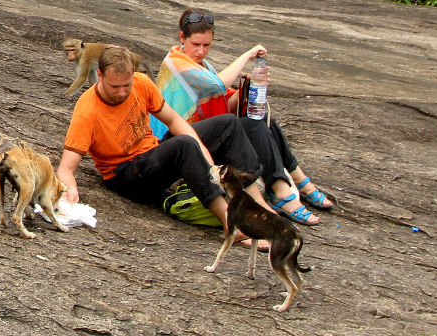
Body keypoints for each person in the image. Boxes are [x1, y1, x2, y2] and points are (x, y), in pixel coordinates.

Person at [56, 44, 276, 240]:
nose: (123, 92)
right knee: (184, 145)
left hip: (153, 154)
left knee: (226, 124)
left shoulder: (141, 83)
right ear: (100, 75)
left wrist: (204, 154)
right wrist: (70, 190)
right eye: (115, 87)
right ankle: (231, 223)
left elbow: (172, 120)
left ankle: (257, 204)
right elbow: (66, 167)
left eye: (127, 84)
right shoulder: (87, 110)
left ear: (133, 74)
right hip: (126, 174)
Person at [155, 8, 334, 226]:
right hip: (178, 143)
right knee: (250, 123)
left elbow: (223, 104)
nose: (201, 51)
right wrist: (248, 55)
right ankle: (280, 189)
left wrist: (247, 85)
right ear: (182, 38)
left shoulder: (202, 65)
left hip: (205, 133)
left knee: (259, 116)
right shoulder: (175, 62)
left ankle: (296, 179)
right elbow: (216, 85)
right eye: (196, 45)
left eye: (207, 45)